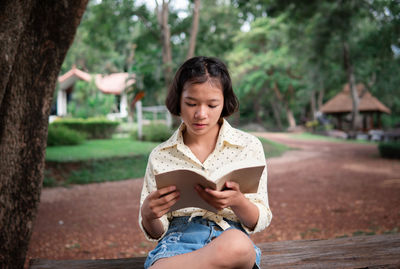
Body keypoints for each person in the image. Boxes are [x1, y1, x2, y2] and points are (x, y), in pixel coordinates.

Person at [139, 56, 272, 269]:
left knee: (238, 245)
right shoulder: (161, 155)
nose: (201, 114)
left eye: (212, 105)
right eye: (191, 103)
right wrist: (148, 215)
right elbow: (158, 231)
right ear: (178, 102)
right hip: (178, 241)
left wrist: (237, 201)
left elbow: (260, 219)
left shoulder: (248, 146)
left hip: (229, 237)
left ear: (224, 103)